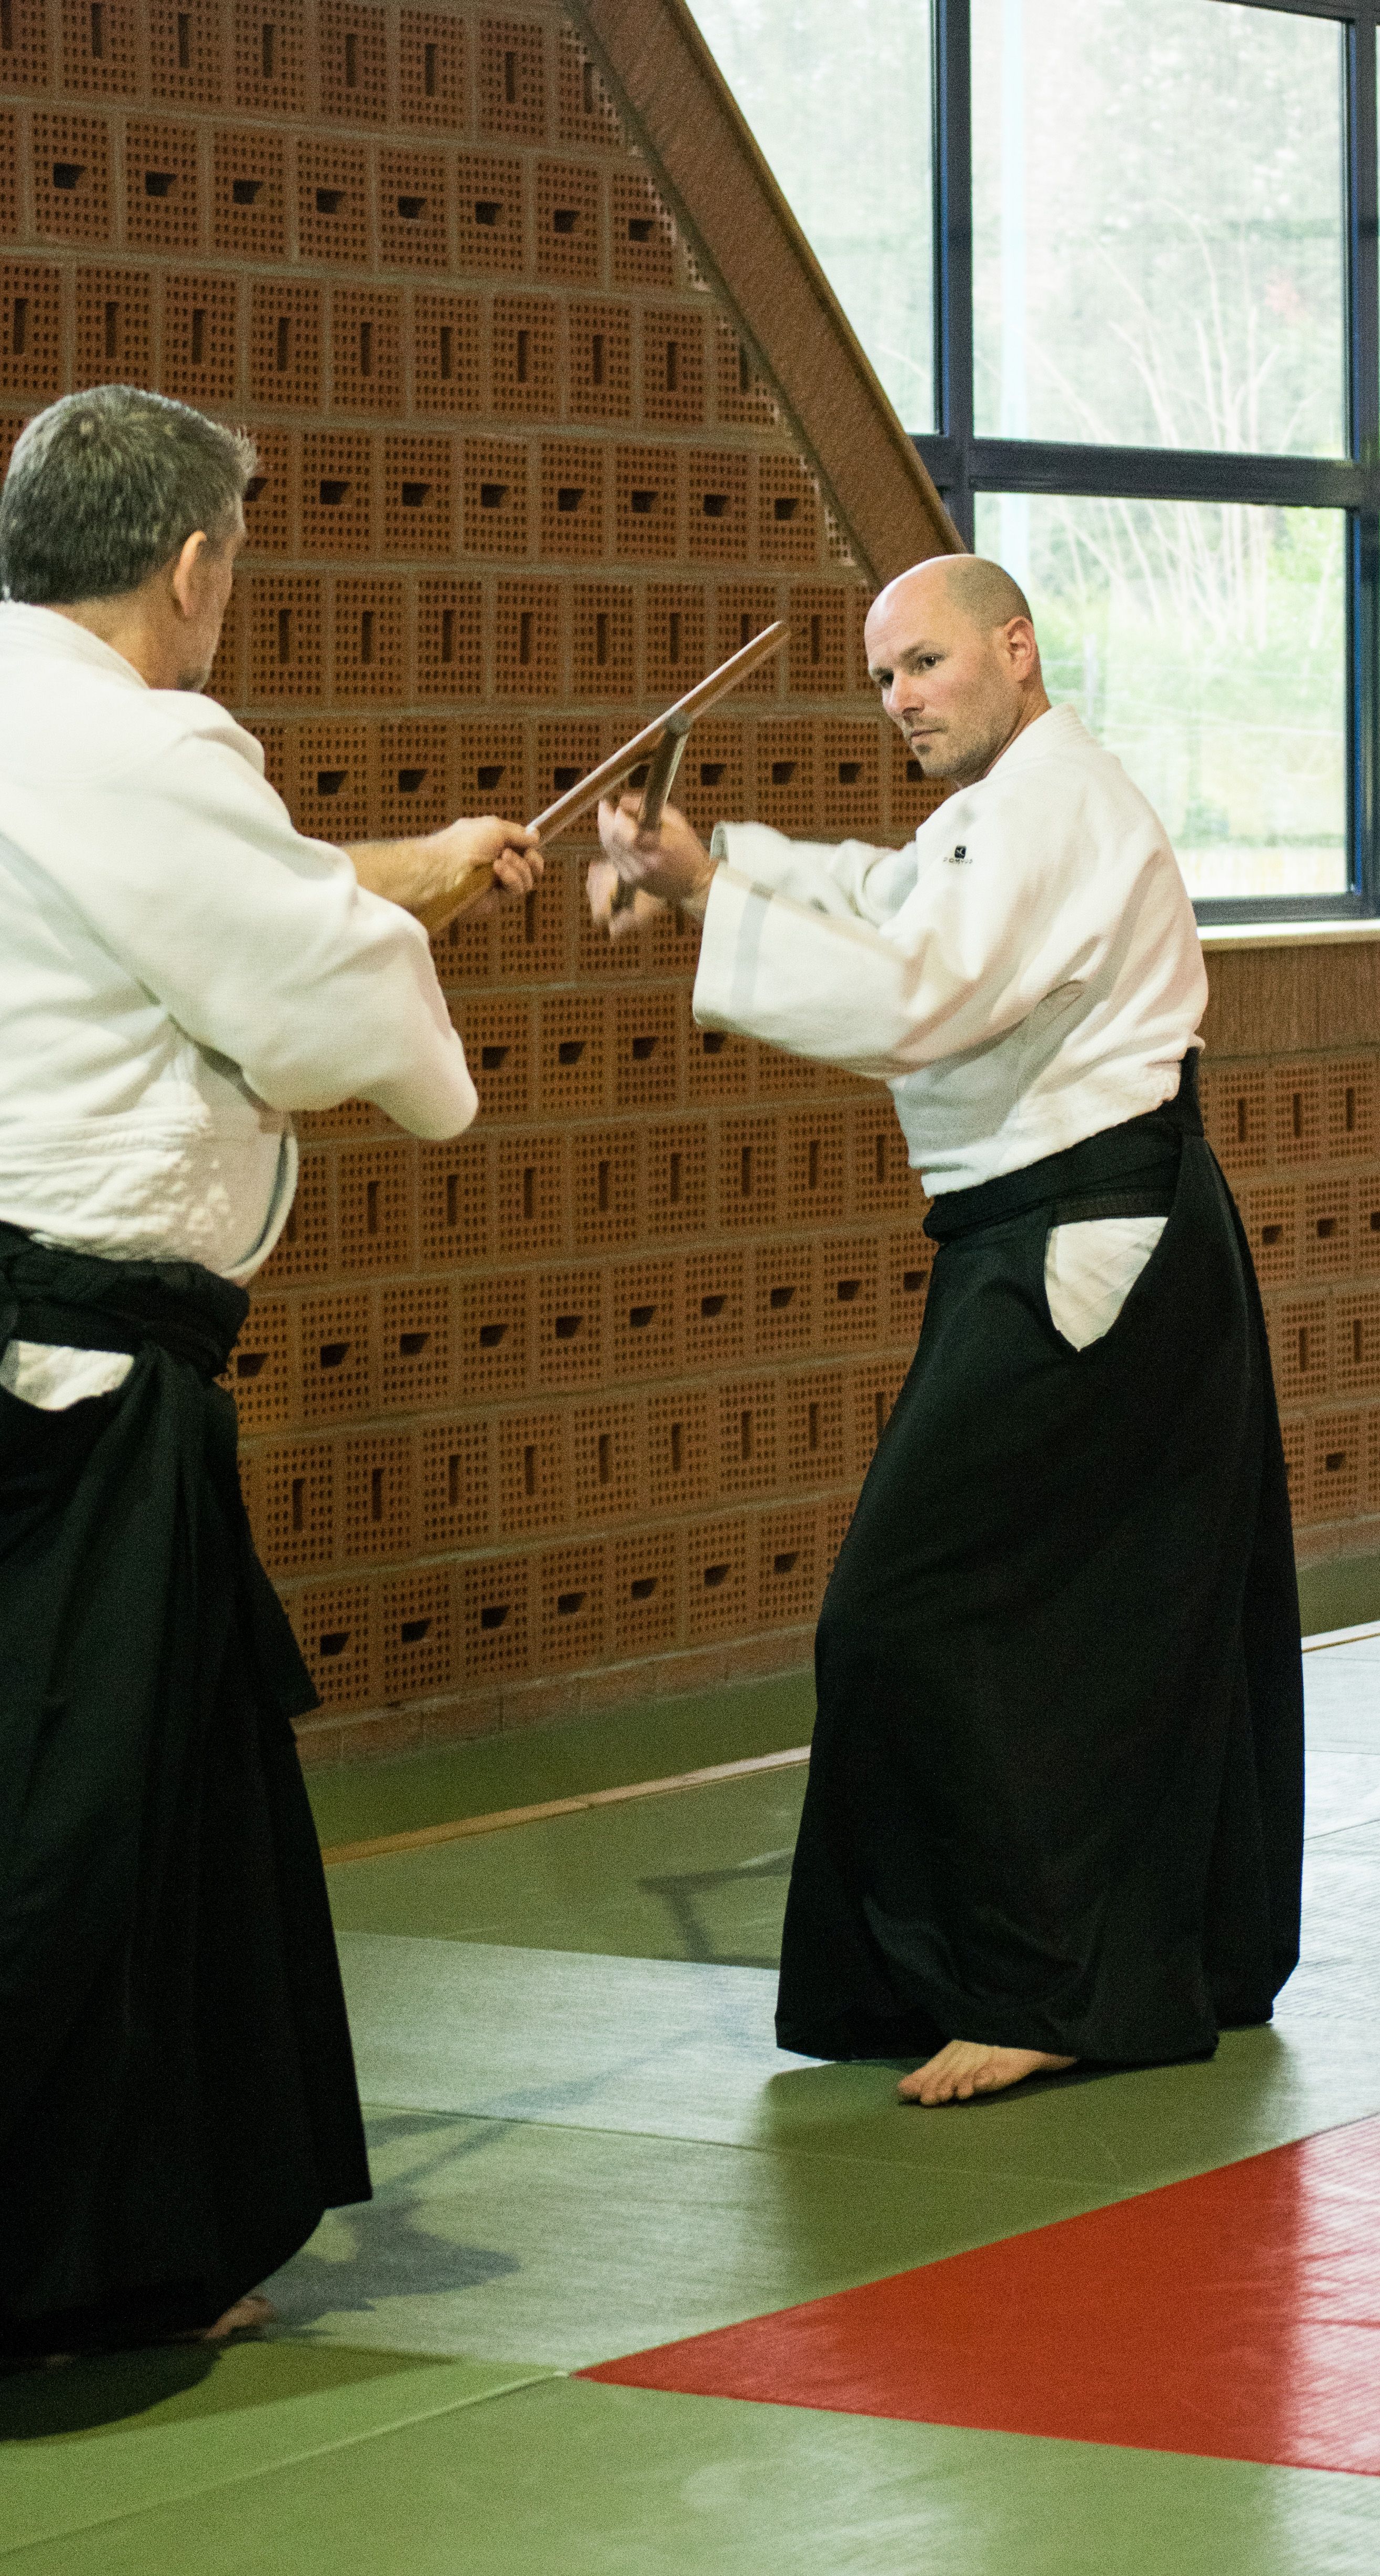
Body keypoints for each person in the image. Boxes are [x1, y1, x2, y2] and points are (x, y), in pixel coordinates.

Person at [0, 384, 541, 2517]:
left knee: (175, 1810)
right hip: (52, 1372)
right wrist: (399, 942)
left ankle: (106, 2255)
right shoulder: (149, 748)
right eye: (234, 559)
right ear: (192, 563)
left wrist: (408, 872)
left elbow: (230, 911)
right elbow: (342, 1023)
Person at [591, 553, 1302, 2112]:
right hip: (1048, 1241)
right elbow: (895, 897)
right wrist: (717, 867)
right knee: (1079, 1614)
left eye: (925, 663)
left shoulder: (1057, 805)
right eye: (883, 679)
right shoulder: (1008, 807)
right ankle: (1064, 1962)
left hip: (1091, 1243)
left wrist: (712, 896)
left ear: (1016, 648)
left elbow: (923, 987)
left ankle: (1040, 1984)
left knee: (912, 1608)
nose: (901, 700)